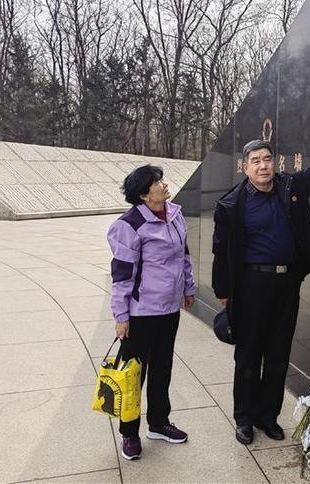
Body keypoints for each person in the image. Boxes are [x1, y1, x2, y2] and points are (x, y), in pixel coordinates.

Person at [212, 107, 310, 444]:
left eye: (267, 159)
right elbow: (221, 251)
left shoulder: (290, 187)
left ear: (274, 162)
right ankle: (244, 419)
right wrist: (224, 291)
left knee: (279, 351)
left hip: (286, 284)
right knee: (249, 355)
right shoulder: (232, 205)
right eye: (256, 161)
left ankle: (269, 416)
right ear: (245, 167)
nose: (264, 165)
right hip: (251, 285)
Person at [107, 165, 196, 460]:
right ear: (144, 195)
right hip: (140, 313)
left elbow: (183, 254)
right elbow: (122, 275)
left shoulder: (174, 213)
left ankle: (158, 423)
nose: (163, 184)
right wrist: (121, 317)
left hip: (169, 310)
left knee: (163, 368)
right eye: (156, 182)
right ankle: (129, 433)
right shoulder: (129, 225)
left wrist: (188, 288)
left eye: (161, 179)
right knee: (134, 375)